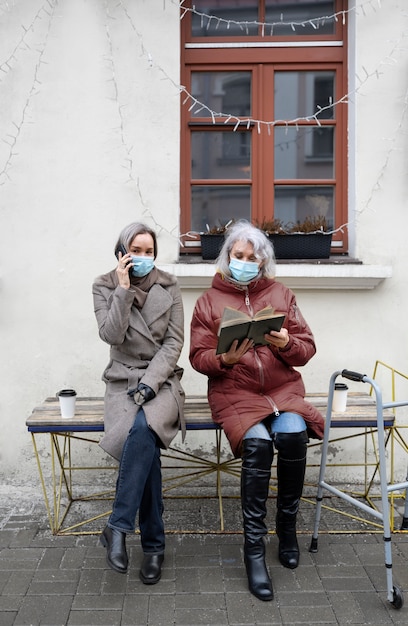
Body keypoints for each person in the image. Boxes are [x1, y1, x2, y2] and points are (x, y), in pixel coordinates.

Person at [189, 220, 324, 601]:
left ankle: (287, 527)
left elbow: (307, 348)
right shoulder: (208, 301)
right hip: (235, 392)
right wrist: (224, 359)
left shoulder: (281, 294)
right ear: (227, 257)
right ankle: (253, 550)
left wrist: (284, 343)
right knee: (260, 445)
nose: (245, 263)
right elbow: (198, 357)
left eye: (253, 258)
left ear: (263, 263)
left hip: (283, 390)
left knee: (294, 434)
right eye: (238, 256)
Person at [92, 222, 185, 585]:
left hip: (161, 380)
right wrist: (123, 290)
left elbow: (174, 343)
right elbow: (110, 335)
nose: (144, 258)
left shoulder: (170, 286)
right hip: (121, 380)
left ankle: (117, 527)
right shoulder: (104, 285)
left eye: (150, 251)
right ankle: (153, 546)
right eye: (137, 251)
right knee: (142, 438)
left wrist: (150, 384)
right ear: (122, 254)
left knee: (144, 428)